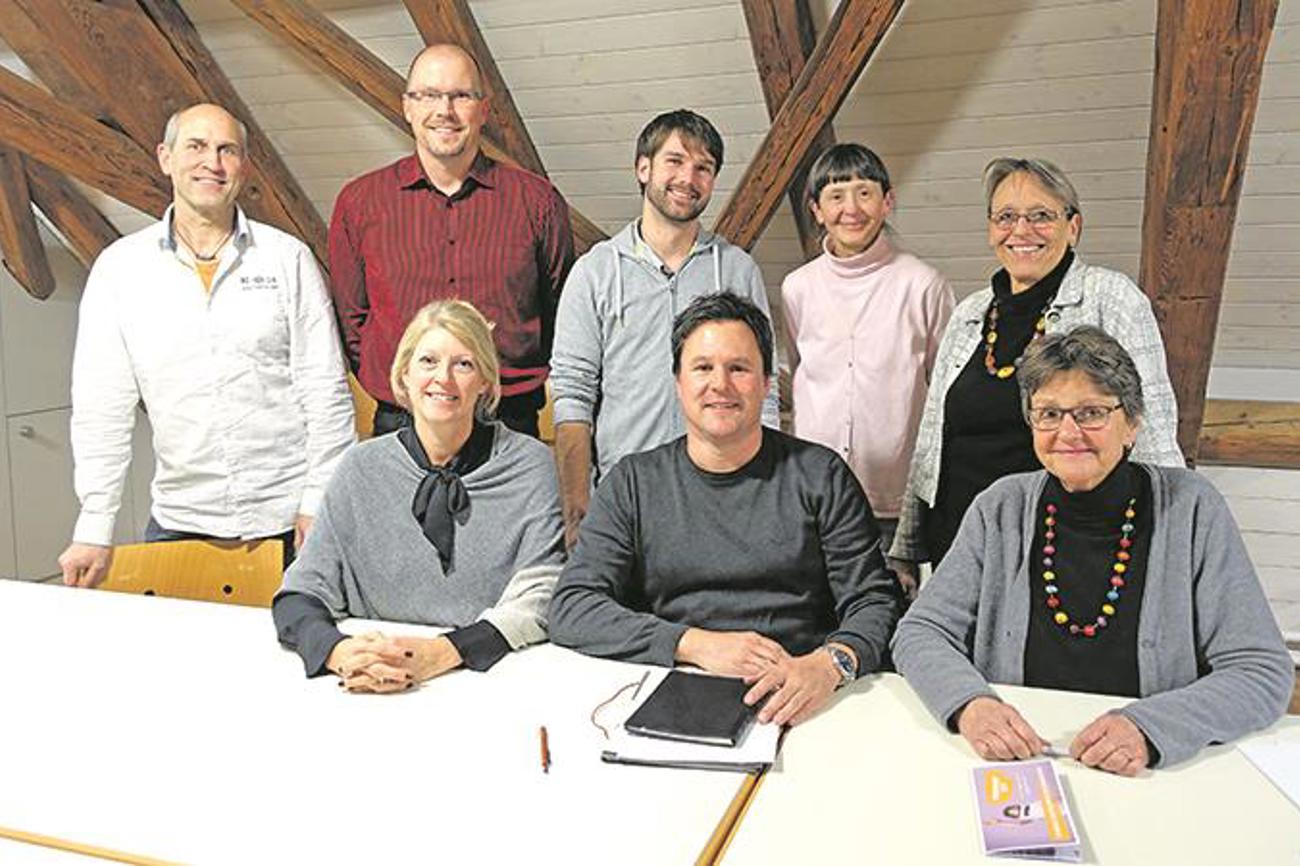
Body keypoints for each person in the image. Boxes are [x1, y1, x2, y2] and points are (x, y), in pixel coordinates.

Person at [892, 326, 1291, 774]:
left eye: (1091, 412)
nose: (1068, 432)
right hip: (1020, 758)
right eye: (1048, 414)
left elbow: (1261, 671)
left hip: (1146, 770)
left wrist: (1152, 727)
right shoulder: (1000, 506)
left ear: (1133, 422)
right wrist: (970, 704)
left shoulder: (1193, 508)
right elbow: (920, 631)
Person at [549, 293, 900, 727]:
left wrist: (830, 664)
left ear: (766, 383)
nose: (721, 384)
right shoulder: (633, 483)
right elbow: (572, 607)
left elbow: (874, 601)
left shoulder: (820, 474)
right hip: (677, 687)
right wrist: (694, 644)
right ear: (678, 381)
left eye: (739, 368)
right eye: (703, 368)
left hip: (804, 691)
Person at [59, 103, 355, 586]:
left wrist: (319, 501)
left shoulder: (287, 259)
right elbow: (101, 407)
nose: (212, 163)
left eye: (227, 150)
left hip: (292, 524)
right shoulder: (120, 270)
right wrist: (94, 523)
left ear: (244, 165)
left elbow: (325, 393)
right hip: (180, 521)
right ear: (165, 158)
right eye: (196, 147)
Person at [889, 157, 1184, 586]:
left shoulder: (1111, 299)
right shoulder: (970, 314)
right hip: (957, 547)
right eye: (1006, 217)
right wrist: (906, 547)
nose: (1021, 231)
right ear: (991, 229)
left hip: (1061, 546)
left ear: (1074, 227)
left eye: (1041, 216)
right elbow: (933, 439)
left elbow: (1152, 433)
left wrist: (1175, 548)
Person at [273, 300, 565, 690]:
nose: (442, 378)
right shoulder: (360, 468)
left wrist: (443, 653)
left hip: (489, 678)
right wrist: (340, 654)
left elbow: (544, 592)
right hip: (369, 678)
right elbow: (299, 592)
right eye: (428, 361)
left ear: (486, 382)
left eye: (464, 364)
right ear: (404, 375)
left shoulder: (529, 465)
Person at [550, 109, 779, 549]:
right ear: (643, 167)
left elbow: (763, 392)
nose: (687, 178)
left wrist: (765, 493)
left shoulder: (736, 269)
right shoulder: (594, 272)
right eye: (674, 161)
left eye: (703, 167)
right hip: (625, 499)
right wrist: (577, 509)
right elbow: (573, 396)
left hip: (725, 495)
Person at [329, 43, 574, 438]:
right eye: (428, 95)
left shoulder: (538, 203)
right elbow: (352, 322)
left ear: (484, 109)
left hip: (507, 422)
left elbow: (559, 313)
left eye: (461, 95)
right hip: (401, 425)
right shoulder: (360, 204)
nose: (444, 110)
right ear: (407, 106)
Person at [782, 143, 954, 554]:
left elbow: (946, 393)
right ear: (816, 210)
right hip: (813, 496)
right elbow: (800, 369)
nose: (851, 208)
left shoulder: (924, 285)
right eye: (836, 196)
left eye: (864, 192)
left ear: (887, 201)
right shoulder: (797, 287)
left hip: (894, 501)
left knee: (893, 608)